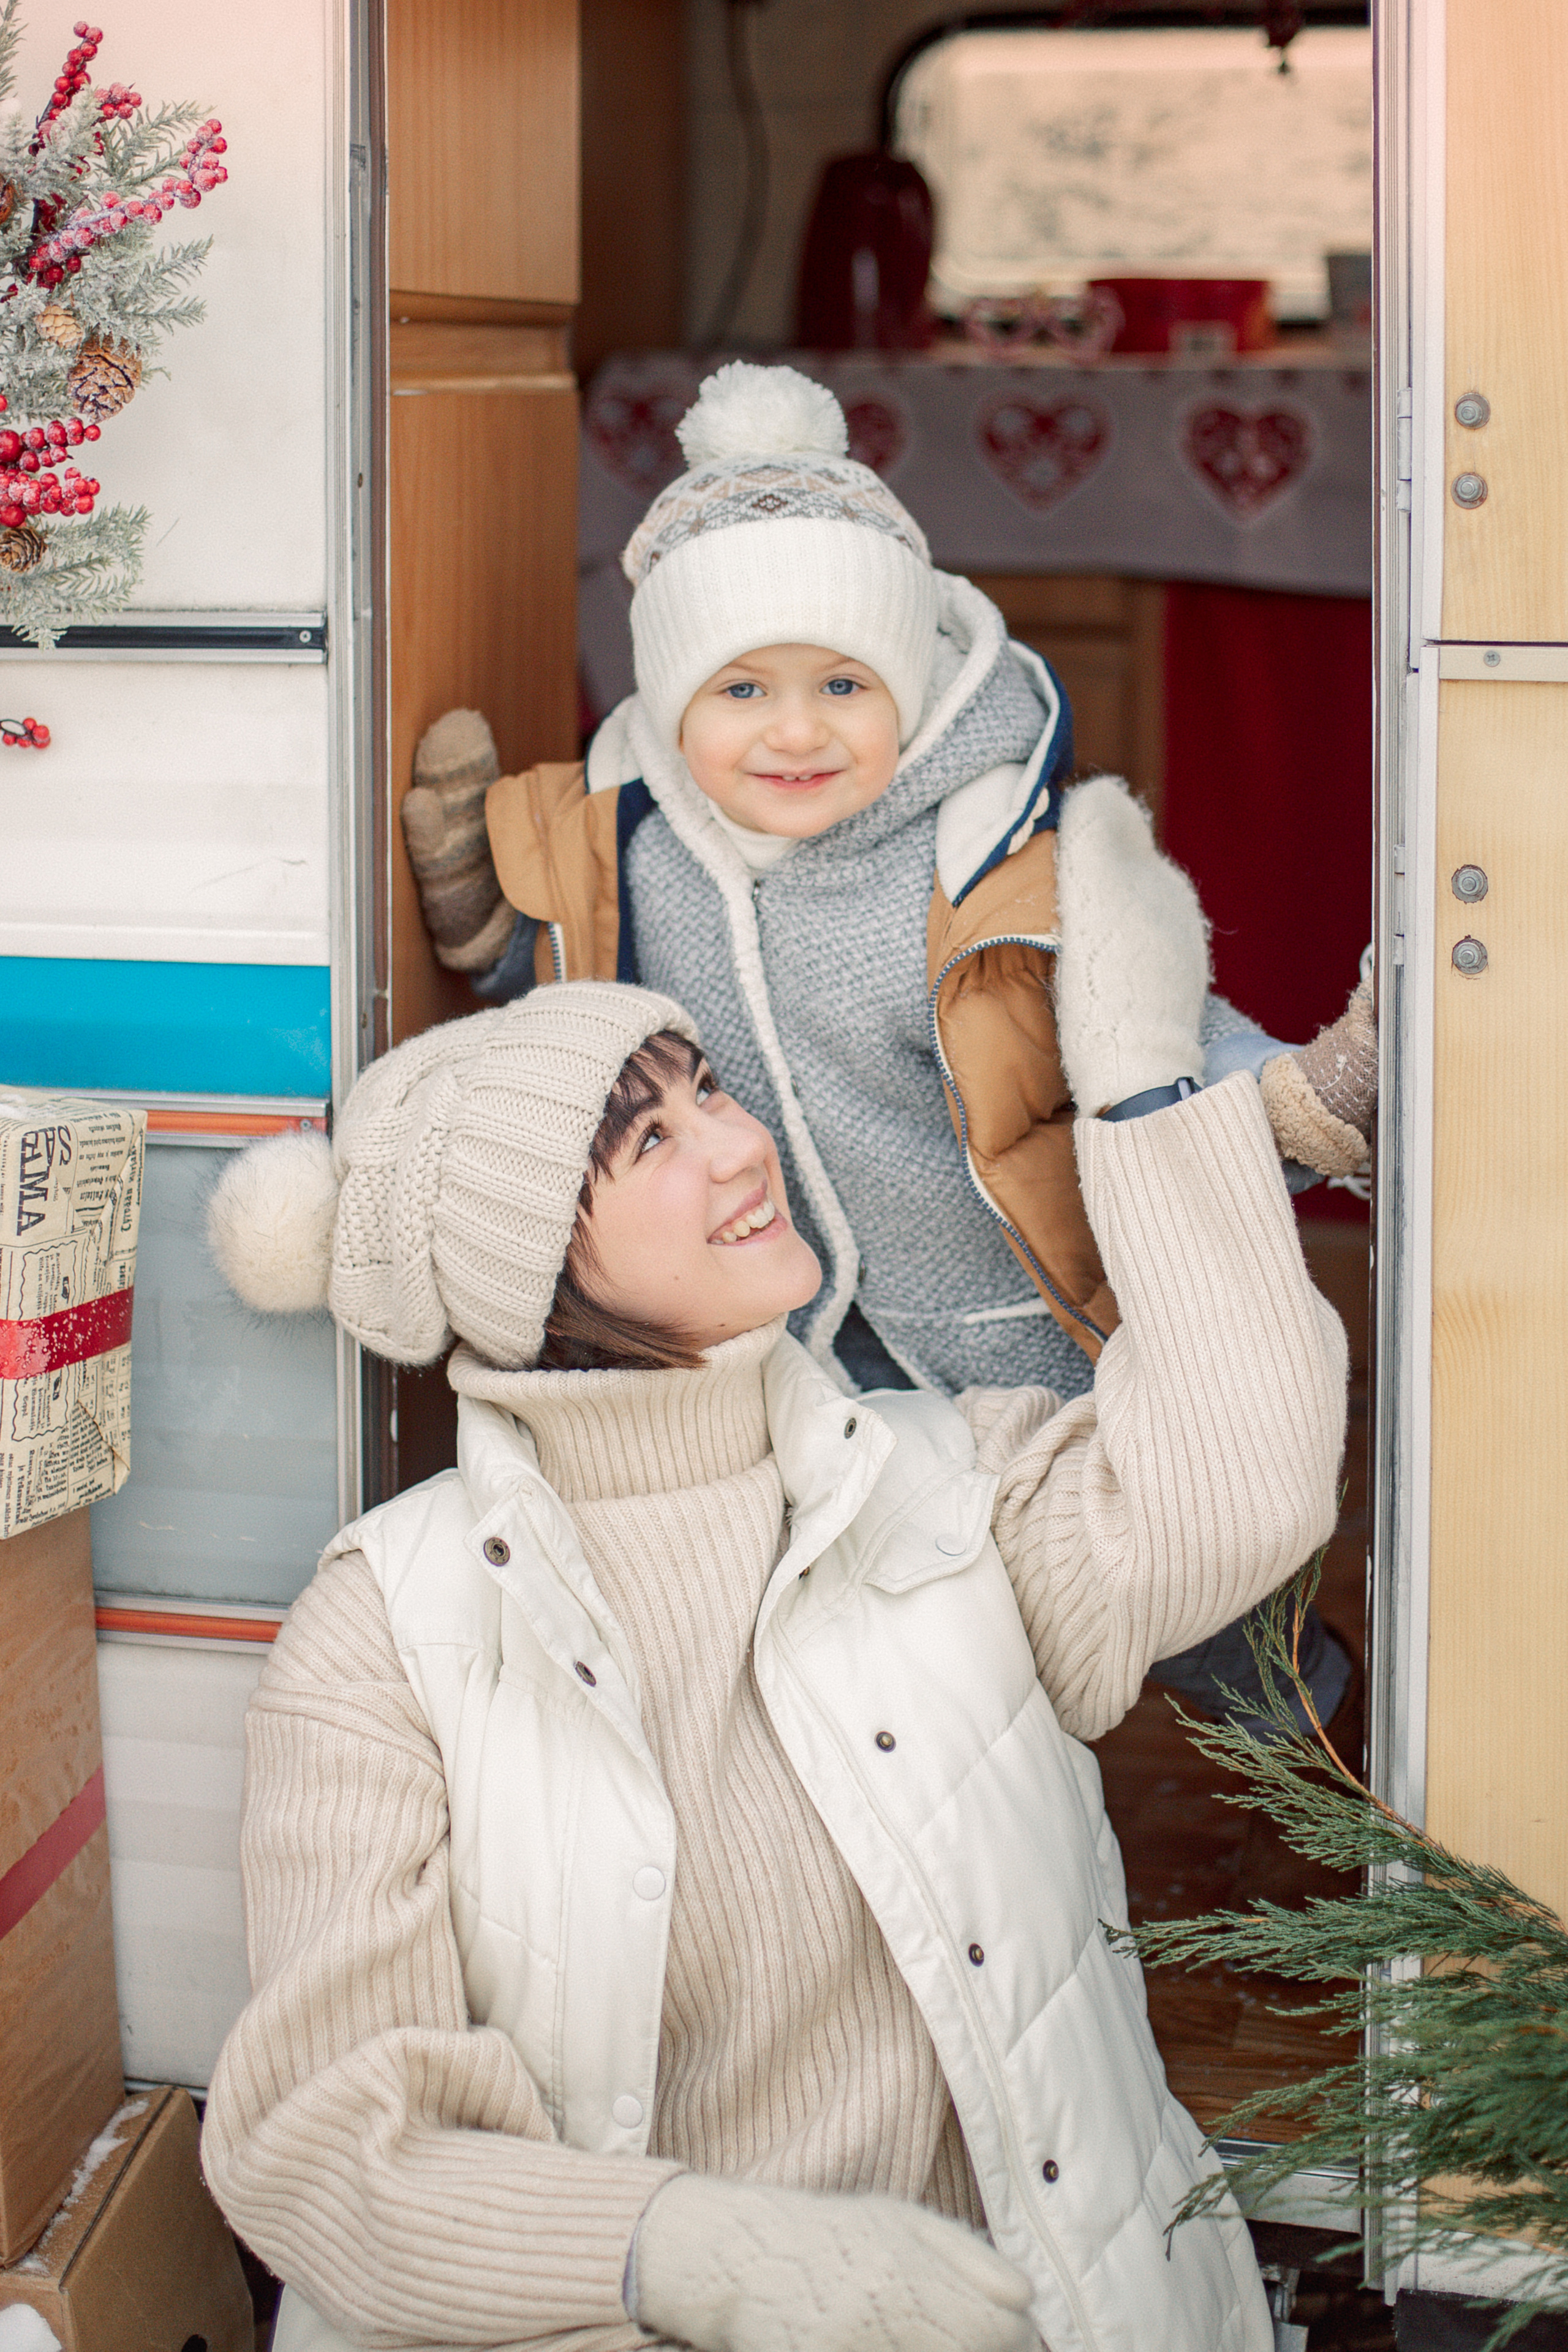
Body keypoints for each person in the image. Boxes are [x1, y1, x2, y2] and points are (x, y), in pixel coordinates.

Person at [200, 810, 1348, 2352]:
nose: (742, 1147)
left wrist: (1142, 1092)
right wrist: (688, 2254)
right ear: (530, 1267)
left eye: (711, 1088)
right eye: (649, 1143)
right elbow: (324, 2147)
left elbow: (1246, 1479)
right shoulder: (387, 1636)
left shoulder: (946, 1484)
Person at [401, 358, 1372, 1736]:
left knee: (1198, 1609)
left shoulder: (981, 855)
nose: (795, 731)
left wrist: (1285, 1097)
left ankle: (1330, 1787)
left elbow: (1131, 1023)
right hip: (788, 1343)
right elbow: (568, 990)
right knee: (896, 1641)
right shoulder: (632, 842)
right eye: (740, 689)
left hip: (1021, 1333)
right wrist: (483, 921)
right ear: (673, 699)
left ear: (907, 687)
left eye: (843, 683)